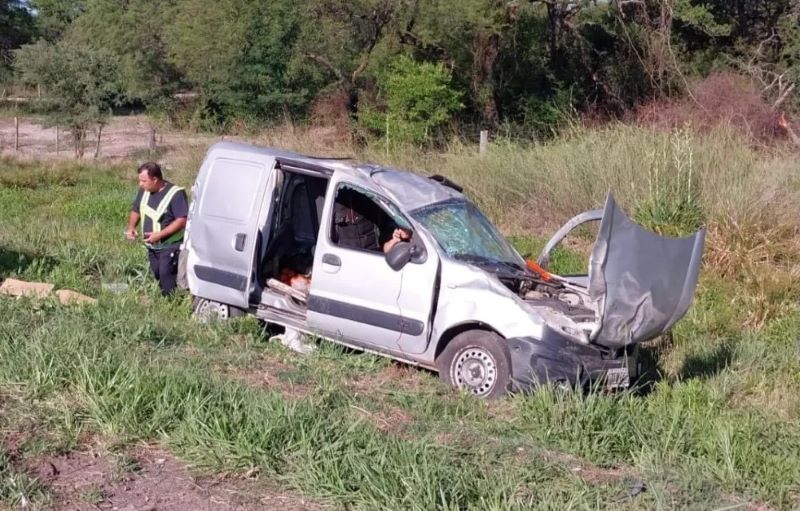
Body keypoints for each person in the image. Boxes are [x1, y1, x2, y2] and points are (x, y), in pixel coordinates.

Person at [125, 162, 188, 296]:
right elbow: (136, 210)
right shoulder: (145, 191)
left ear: (155, 179)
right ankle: (167, 299)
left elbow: (182, 220)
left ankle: (172, 303)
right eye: (139, 180)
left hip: (170, 245)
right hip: (152, 247)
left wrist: (160, 235)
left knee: (166, 275)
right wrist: (131, 227)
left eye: (144, 181)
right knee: (158, 274)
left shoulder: (176, 194)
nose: (140, 184)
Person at [331, 187, 411, 253]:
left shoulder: (372, 192)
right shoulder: (337, 192)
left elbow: (387, 222)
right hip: (347, 258)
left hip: (374, 255)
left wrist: (400, 233)